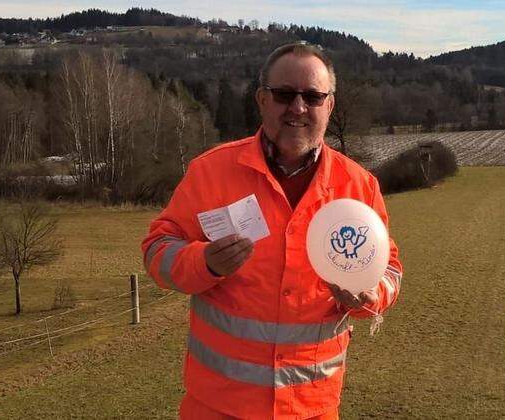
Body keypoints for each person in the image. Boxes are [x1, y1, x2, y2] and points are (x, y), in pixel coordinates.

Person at [142, 42, 403, 420]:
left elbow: (390, 269)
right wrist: (203, 262)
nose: (298, 108)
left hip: (312, 407)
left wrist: (368, 295)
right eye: (284, 95)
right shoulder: (211, 172)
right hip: (218, 405)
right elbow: (156, 250)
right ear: (262, 100)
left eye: (312, 97)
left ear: (329, 106)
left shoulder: (359, 187)